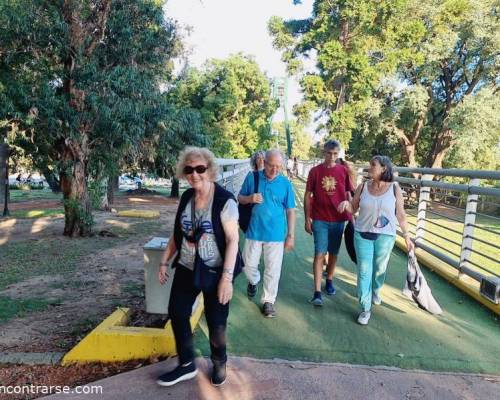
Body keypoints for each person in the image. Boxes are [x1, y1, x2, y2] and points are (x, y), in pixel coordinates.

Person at [156, 146, 240, 387]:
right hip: (186, 266)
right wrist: (164, 261)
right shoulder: (186, 197)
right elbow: (177, 234)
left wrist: (226, 278)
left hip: (215, 270)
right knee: (177, 311)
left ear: (210, 170)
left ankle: (219, 360)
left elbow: (233, 239)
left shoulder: (224, 200)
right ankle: (186, 364)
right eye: (189, 169)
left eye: (200, 168)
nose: (195, 174)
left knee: (216, 321)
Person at [338, 155, 415, 325]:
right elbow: (353, 207)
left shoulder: (395, 188)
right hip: (362, 233)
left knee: (379, 269)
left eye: (373, 165)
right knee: (364, 271)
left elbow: (400, 214)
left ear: (384, 169)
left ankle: (376, 290)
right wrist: (346, 204)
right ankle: (365, 308)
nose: (369, 167)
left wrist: (407, 236)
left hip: (386, 236)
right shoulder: (363, 186)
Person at [238, 149, 296, 318]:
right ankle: (254, 281)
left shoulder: (285, 184)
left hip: (276, 234)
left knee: (273, 269)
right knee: (247, 265)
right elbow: (240, 197)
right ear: (264, 162)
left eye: (279, 166)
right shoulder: (253, 177)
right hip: (254, 230)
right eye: (271, 166)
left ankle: (268, 301)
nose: (275, 170)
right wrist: (250, 199)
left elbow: (290, 210)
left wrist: (290, 235)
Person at [304, 140, 353, 306]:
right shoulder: (315, 172)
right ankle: (317, 292)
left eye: (335, 154)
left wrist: (351, 214)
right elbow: (307, 196)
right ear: (323, 153)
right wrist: (306, 219)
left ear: (338, 154)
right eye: (328, 153)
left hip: (338, 220)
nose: (331, 157)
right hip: (319, 218)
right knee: (319, 253)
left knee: (333, 253)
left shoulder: (343, 171)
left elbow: (349, 195)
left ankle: (329, 279)